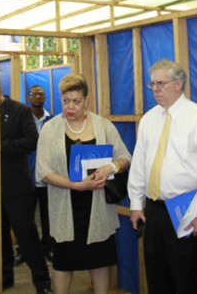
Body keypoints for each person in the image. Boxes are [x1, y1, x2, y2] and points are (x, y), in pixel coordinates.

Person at [128, 58, 197, 293]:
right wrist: (136, 204)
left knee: (187, 277)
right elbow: (140, 164)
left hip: (187, 209)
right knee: (157, 276)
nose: (155, 90)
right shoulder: (149, 119)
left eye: (161, 83)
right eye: (152, 85)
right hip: (154, 211)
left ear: (179, 84)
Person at [36, 74, 131, 294]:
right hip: (65, 208)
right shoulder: (50, 129)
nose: (71, 107)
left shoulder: (103, 125)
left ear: (86, 100)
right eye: (66, 101)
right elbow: (43, 171)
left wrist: (112, 167)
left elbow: (125, 157)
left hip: (98, 206)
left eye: (76, 101)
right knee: (62, 263)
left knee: (99, 261)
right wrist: (76, 185)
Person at [0, 89, 53, 294]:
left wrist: (0, 146)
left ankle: (42, 282)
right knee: (0, 235)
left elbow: (32, 140)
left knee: (26, 234)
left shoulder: (19, 111)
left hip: (17, 185)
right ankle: (5, 278)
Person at [27, 85, 54, 261]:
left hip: (47, 177)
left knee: (47, 216)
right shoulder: (22, 118)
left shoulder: (52, 120)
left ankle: (48, 247)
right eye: (35, 94)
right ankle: (26, 251)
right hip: (27, 177)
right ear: (28, 98)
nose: (38, 97)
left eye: (41, 94)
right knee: (27, 219)